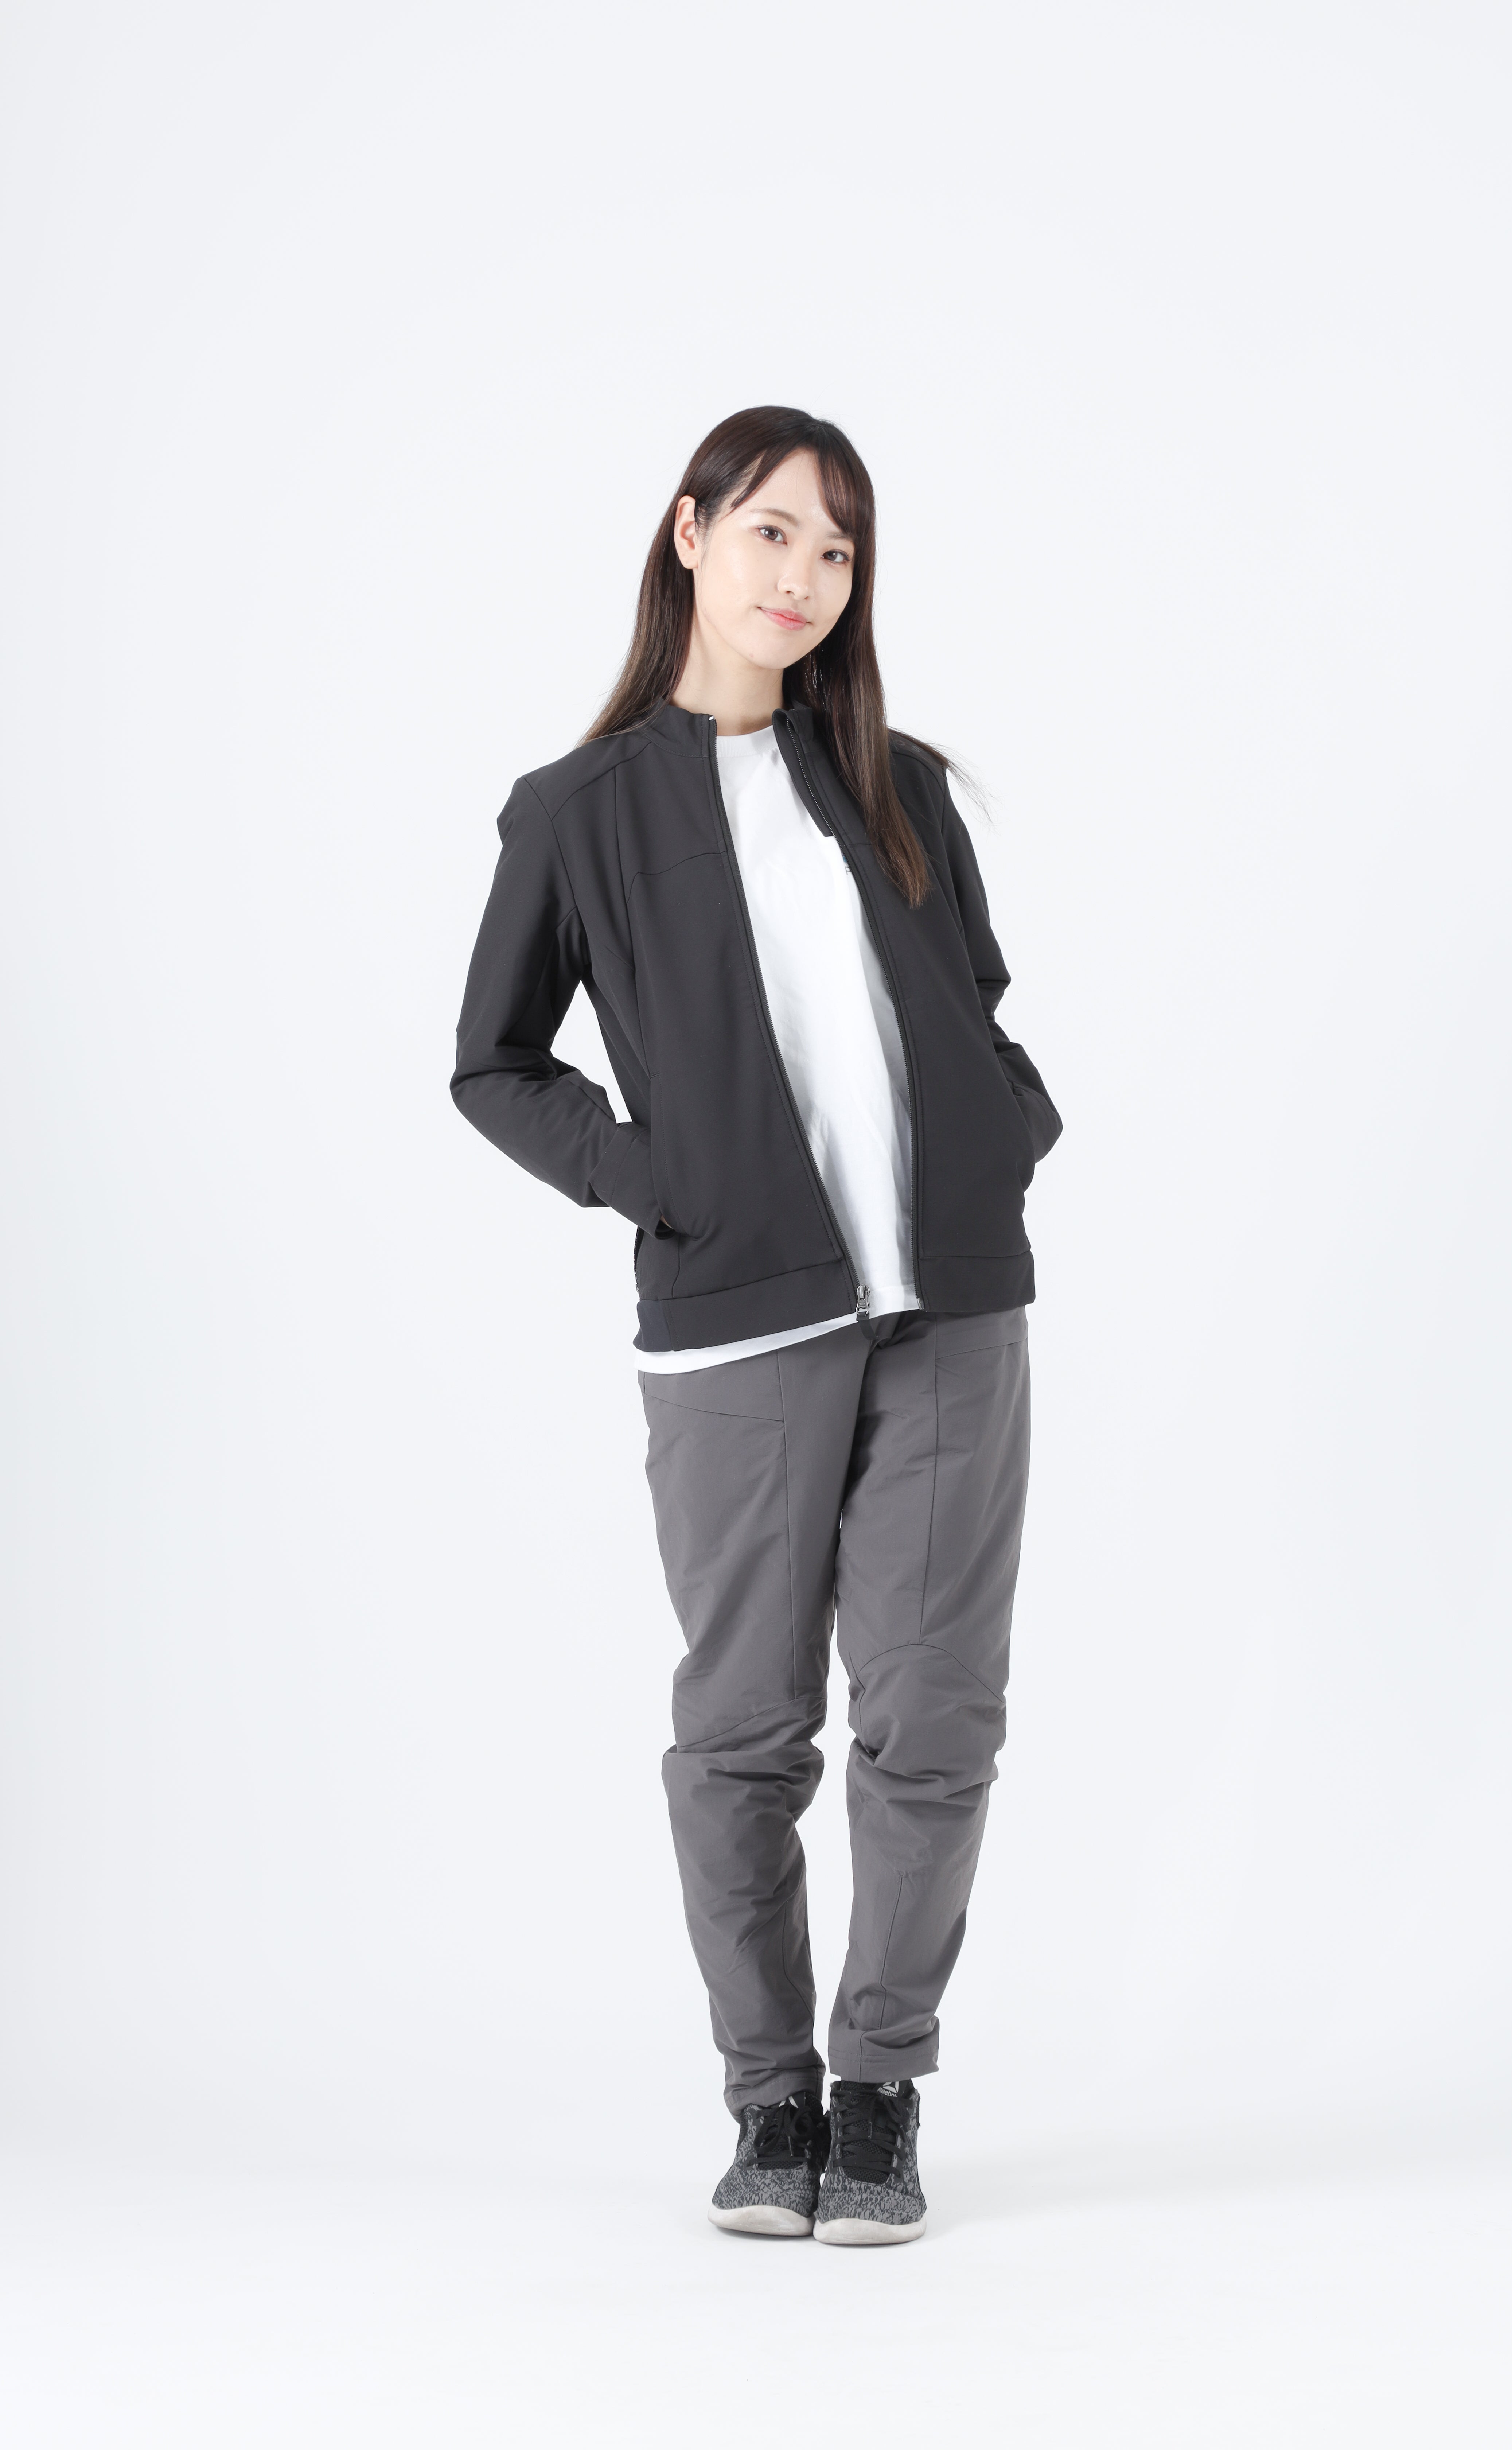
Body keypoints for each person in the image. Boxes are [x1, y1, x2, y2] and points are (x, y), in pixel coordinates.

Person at [451, 406, 1060, 2245]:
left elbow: (975, 1005)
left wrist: (1008, 1132)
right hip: (735, 1326)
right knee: (743, 1731)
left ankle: (878, 2093)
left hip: (949, 1313)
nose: (805, 577)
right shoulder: (580, 811)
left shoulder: (900, 785)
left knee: (935, 1717)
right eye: (775, 532)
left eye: (839, 550)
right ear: (691, 533)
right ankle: (768, 2099)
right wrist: (656, 1176)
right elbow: (492, 1063)